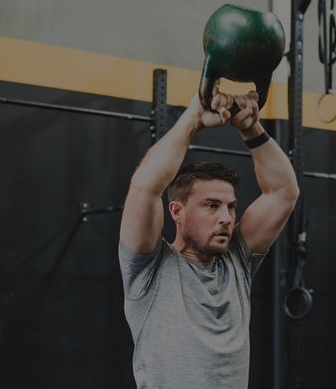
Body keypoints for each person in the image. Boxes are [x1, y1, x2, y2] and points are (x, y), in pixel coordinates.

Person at [117, 88, 299, 389]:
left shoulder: (236, 261)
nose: (226, 218)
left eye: (230, 207)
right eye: (212, 206)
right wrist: (193, 119)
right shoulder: (148, 268)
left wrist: (250, 126)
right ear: (177, 210)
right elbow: (144, 188)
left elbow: (283, 193)